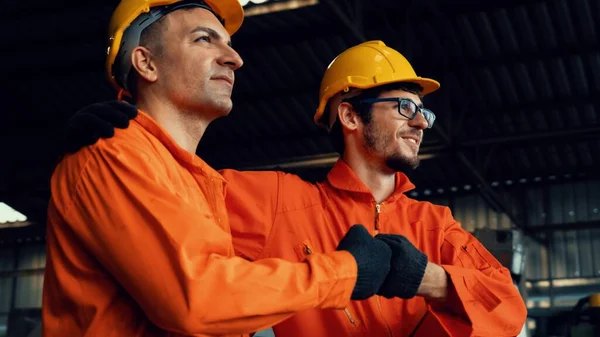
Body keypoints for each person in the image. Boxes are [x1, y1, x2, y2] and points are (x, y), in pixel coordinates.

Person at [61, 40, 528, 336]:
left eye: (422, 112)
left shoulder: (436, 226)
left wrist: (426, 278)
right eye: (404, 106)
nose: (419, 123)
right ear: (349, 115)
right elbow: (169, 189)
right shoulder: (274, 201)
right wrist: (128, 125)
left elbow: (508, 308)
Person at [42, 1, 405, 336]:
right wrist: (346, 271)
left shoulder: (201, 181)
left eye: (229, 44)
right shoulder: (114, 154)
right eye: (205, 39)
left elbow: (222, 304)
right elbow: (196, 298)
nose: (234, 58)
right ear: (146, 63)